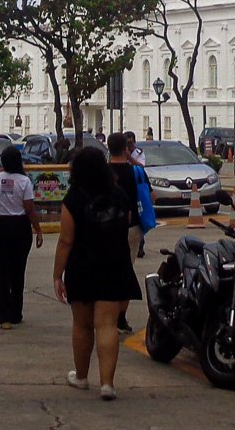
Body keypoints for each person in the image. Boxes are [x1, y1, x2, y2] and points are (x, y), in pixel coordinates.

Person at [54, 146, 139, 400]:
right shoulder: (119, 195)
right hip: (114, 262)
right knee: (107, 324)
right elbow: (127, 223)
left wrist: (58, 274)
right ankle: (107, 384)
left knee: (82, 324)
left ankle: (81, 377)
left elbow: (65, 240)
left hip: (82, 264)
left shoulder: (73, 199)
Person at [0, 144, 42, 329]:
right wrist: (37, 229)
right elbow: (29, 208)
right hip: (20, 227)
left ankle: (4, 317)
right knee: (18, 271)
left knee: (2, 273)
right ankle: (16, 312)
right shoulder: (24, 181)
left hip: (0, 226)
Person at [105, 133, 155, 336]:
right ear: (126, 148)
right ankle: (120, 317)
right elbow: (151, 196)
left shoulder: (102, 172)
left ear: (108, 147)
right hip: (131, 228)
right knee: (126, 270)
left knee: (107, 272)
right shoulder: (136, 171)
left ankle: (105, 314)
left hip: (105, 228)